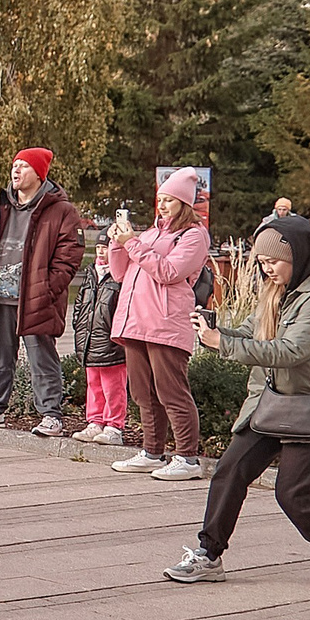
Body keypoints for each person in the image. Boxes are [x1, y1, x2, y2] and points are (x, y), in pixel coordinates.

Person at [167, 217, 310, 588]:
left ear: (301, 255)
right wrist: (213, 330)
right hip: (274, 402)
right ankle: (209, 556)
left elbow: (291, 351)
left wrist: (221, 343)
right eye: (261, 261)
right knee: (230, 471)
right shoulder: (276, 291)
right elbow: (250, 333)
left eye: (274, 261)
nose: (266, 268)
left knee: (293, 492)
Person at [0, 147, 83, 438]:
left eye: (24, 166)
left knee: (42, 356)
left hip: (36, 298)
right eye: (14, 165)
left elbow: (70, 256)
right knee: (0, 355)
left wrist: (48, 288)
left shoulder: (61, 211)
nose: (16, 171)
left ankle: (51, 415)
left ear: (39, 174)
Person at [108, 168, 211, 480]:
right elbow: (120, 273)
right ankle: (153, 451)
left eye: (170, 200)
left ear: (184, 204)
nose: (163, 205)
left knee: (172, 392)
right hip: (136, 321)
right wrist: (118, 243)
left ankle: (188, 458)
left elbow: (169, 272)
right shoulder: (151, 234)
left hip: (165, 324)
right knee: (143, 392)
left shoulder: (194, 236)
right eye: (160, 199)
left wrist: (133, 245)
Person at [72, 223, 128, 444]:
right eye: (99, 248)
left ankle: (114, 425)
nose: (102, 252)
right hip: (89, 339)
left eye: (106, 247)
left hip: (110, 341)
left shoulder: (120, 276)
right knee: (94, 383)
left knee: (113, 385)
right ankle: (95, 421)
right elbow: (80, 303)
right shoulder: (90, 273)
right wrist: (78, 324)